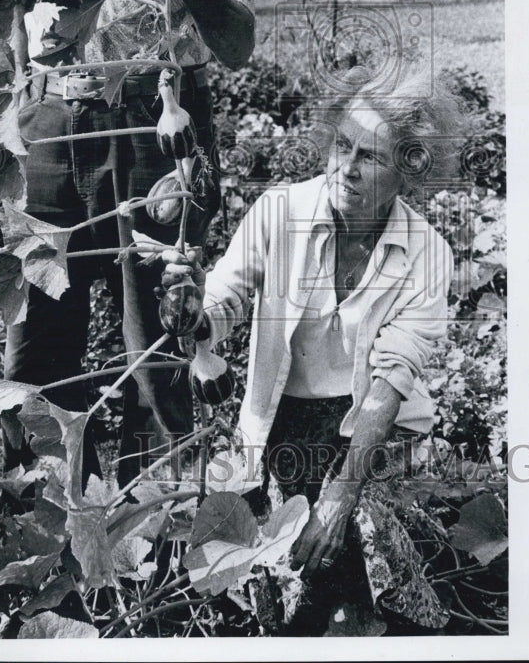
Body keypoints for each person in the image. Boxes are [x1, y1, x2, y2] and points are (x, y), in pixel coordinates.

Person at [0, 0, 255, 486]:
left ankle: (166, 529)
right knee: (37, 340)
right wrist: (13, 114)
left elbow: (237, 44)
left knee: (162, 341)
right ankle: (50, 520)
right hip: (50, 121)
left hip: (159, 122)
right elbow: (8, 16)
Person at [162, 68, 462, 633]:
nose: (347, 168)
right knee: (292, 548)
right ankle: (346, 617)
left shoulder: (429, 253)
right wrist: (193, 308)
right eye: (342, 146)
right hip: (284, 423)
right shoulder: (280, 212)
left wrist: (342, 493)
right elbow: (225, 300)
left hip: (375, 429)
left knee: (356, 518)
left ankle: (366, 620)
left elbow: (390, 381)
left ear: (409, 168)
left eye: (370, 156)